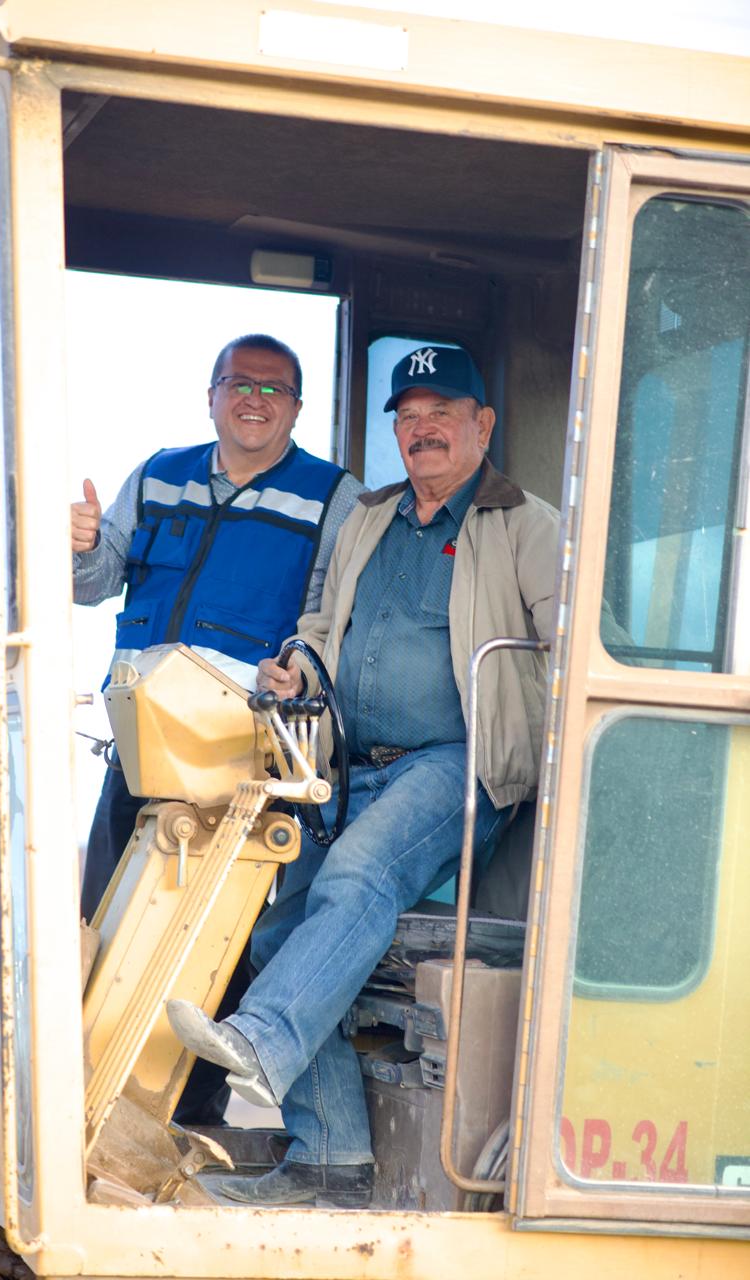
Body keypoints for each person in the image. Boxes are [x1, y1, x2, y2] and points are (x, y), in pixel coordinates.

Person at [166, 343, 559, 1203]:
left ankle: (265, 1039)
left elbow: (568, 643)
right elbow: (318, 619)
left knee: (357, 874)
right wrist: (297, 667)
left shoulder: (525, 522)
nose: (423, 431)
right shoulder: (369, 518)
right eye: (408, 417)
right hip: (354, 767)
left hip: (458, 766)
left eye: (441, 414)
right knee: (280, 917)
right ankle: (330, 1160)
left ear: (481, 425)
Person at [71, 333, 363, 1123]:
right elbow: (93, 585)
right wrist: (82, 546)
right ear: (211, 395)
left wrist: (301, 661)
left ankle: (189, 1116)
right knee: (106, 918)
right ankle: (89, 1104)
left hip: (249, 757)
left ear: (297, 408)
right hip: (142, 748)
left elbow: (335, 614)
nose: (255, 400)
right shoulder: (158, 475)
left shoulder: (334, 497)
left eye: (275, 390)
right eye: (240, 384)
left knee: (220, 940)